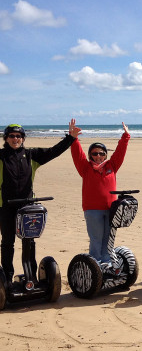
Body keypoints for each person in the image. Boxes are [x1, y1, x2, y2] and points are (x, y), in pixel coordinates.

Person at [0, 121, 77, 283]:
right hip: (5, 207)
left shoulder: (31, 155)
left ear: (23, 139)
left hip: (27, 207)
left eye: (19, 136)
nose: (15, 139)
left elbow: (53, 152)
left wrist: (70, 138)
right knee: (7, 243)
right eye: (12, 136)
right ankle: (6, 279)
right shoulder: (0, 156)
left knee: (29, 243)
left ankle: (31, 276)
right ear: (6, 138)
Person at [70, 121, 130, 265]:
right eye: (95, 153)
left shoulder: (112, 166)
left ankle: (107, 265)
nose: (98, 156)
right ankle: (95, 267)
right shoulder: (85, 168)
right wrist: (73, 138)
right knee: (96, 240)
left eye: (101, 153)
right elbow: (77, 155)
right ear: (90, 155)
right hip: (92, 210)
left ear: (105, 155)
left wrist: (125, 137)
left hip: (111, 209)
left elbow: (120, 153)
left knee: (109, 240)